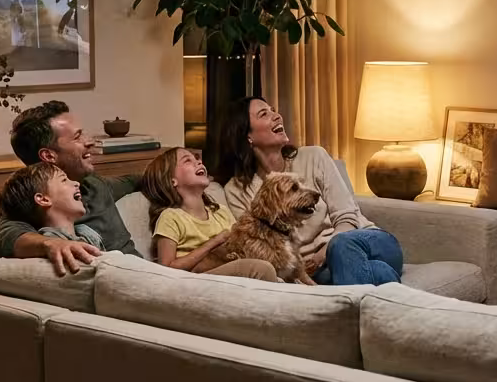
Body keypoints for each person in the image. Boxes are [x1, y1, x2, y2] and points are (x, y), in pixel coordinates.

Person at [218, 97, 403, 286]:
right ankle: (387, 286)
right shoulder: (238, 190)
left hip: (366, 241)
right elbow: (258, 241)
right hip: (324, 270)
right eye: (264, 114)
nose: (277, 116)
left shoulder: (314, 156)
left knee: (341, 246)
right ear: (247, 136)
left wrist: (324, 253)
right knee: (378, 273)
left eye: (273, 110)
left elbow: (347, 217)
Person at [0, 100, 139, 275]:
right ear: (48, 155)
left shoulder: (94, 183)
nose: (90, 141)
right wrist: (51, 244)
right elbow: (4, 236)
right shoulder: (32, 199)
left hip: (153, 274)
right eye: (77, 137)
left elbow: (133, 181)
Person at [138, 147, 280, 281]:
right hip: (196, 281)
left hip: (227, 271)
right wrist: (215, 242)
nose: (199, 162)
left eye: (197, 159)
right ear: (171, 180)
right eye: (187, 160)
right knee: (261, 269)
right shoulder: (170, 217)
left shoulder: (220, 212)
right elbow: (166, 268)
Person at [0, 162, 103, 248]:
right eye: (64, 180)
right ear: (43, 199)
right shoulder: (50, 241)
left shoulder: (86, 233)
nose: (76, 183)